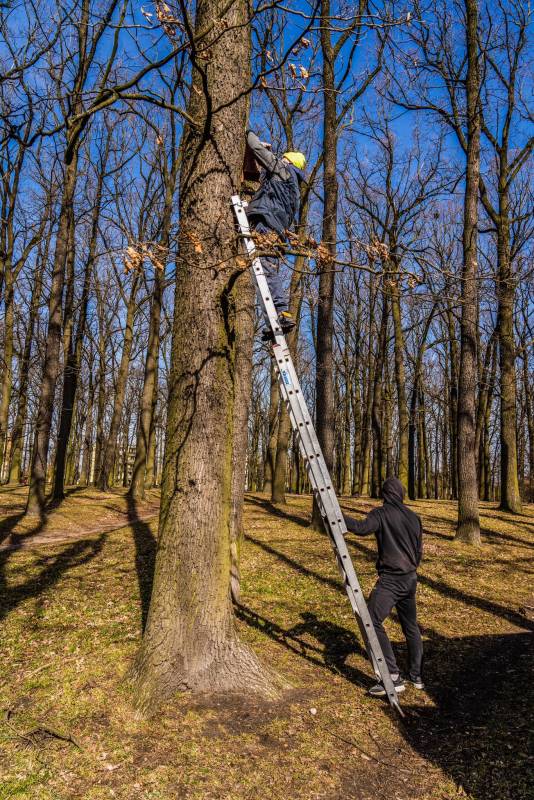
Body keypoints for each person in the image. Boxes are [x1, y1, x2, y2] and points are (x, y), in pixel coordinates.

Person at [344, 477, 425, 697]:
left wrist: (338, 516)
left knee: (371, 619)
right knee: (411, 627)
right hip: (410, 578)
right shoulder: (414, 517)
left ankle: (393, 676)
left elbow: (361, 528)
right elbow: (419, 551)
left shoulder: (381, 514)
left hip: (391, 581)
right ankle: (416, 676)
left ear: (385, 494)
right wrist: (410, 567)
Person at [244, 129, 306, 336]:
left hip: (266, 224)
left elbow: (255, 146)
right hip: (277, 230)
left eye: (283, 158)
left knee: (266, 269)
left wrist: (247, 131)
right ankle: (275, 318)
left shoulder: (282, 169)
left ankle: (281, 312)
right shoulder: (293, 187)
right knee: (266, 269)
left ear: (288, 161)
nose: (280, 159)